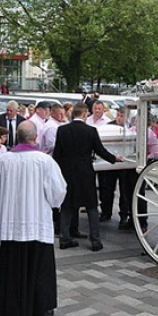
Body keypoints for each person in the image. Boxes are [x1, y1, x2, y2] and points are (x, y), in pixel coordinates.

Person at [0, 120, 67, 316]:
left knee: (12, 268)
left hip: (11, 223)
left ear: (17, 137)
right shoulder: (45, 161)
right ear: (35, 138)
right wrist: (53, 205)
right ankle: (37, 307)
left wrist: (4, 206)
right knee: (38, 267)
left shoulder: (3, 160)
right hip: (37, 221)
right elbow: (58, 191)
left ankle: (9, 309)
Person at [53, 102, 121, 251]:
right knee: (91, 206)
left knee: (67, 205)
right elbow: (100, 150)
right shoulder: (91, 130)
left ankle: (64, 238)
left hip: (67, 172)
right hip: (85, 172)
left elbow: (57, 153)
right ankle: (95, 241)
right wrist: (114, 158)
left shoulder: (62, 130)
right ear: (84, 114)